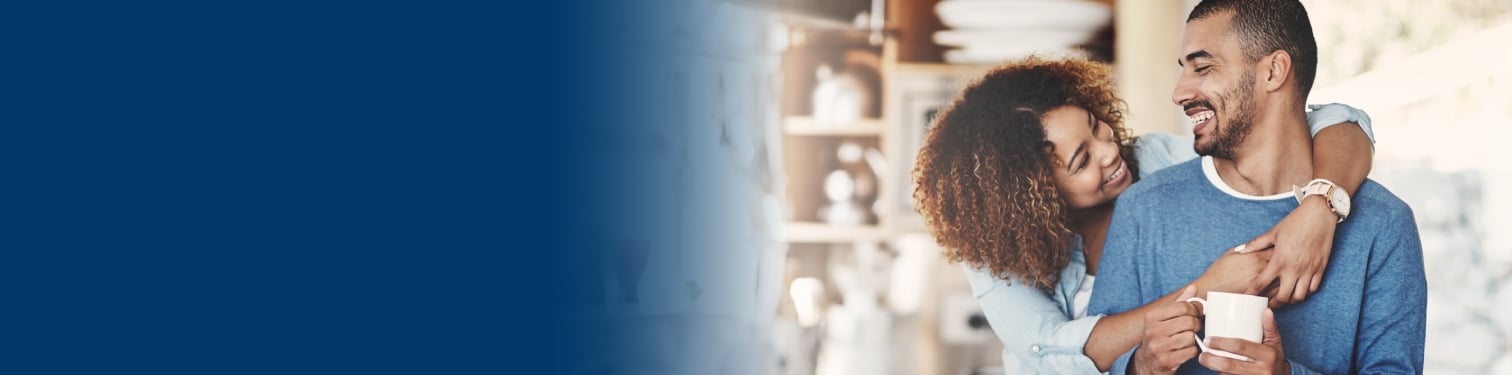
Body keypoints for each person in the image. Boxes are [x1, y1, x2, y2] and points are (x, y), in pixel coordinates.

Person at [910, 56, 1374, 372]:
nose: (1110, 152)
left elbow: (1337, 120)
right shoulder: (996, 254)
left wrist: (1321, 205)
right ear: (1035, 196)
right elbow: (1048, 348)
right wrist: (1205, 291)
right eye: (1081, 161)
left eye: (1096, 128)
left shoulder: (1154, 160)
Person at [1086, 1, 1426, 374]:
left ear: (1273, 71)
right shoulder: (1143, 208)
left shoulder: (1383, 223)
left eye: (1202, 67)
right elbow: (1095, 361)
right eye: (1184, 70)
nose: (1180, 92)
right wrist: (1141, 366)